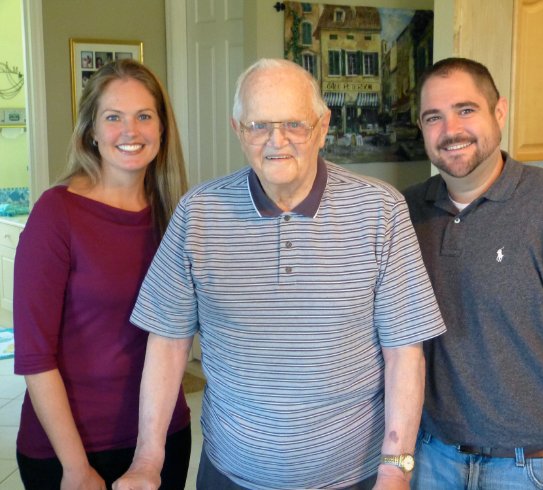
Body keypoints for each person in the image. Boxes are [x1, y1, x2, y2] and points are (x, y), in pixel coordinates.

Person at [113, 58, 446, 490]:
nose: (277, 141)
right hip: (229, 475)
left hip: (355, 477)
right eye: (258, 126)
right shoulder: (198, 213)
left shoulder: (380, 210)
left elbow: (404, 351)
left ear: (323, 127)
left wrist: (394, 469)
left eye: (294, 124)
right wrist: (147, 460)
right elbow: (168, 342)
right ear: (237, 129)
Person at [403, 57, 543, 489]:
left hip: (532, 468)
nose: (451, 130)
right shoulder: (404, 213)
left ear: (498, 112)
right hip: (431, 459)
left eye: (465, 110)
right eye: (434, 117)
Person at [13, 59, 191, 490]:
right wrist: (74, 467)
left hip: (162, 438)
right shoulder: (58, 214)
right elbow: (35, 356)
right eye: (113, 117)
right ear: (91, 131)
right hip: (68, 448)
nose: (130, 131)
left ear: (162, 129)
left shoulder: (178, 215)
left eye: (144, 116)